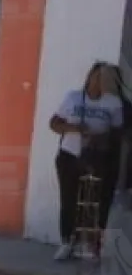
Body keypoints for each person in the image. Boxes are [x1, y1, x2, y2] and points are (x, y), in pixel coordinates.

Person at [50, 61, 126, 261]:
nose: (100, 81)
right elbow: (54, 123)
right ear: (90, 76)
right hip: (70, 155)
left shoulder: (113, 103)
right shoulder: (73, 97)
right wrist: (75, 129)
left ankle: (93, 246)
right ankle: (67, 241)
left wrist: (102, 137)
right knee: (69, 200)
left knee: (96, 203)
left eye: (106, 77)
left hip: (98, 157)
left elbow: (118, 132)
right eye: (98, 76)